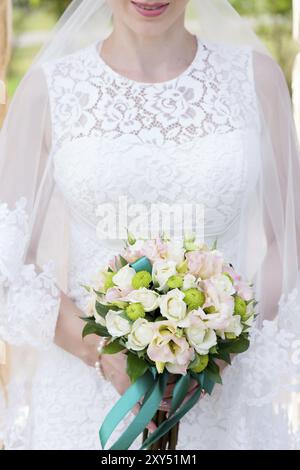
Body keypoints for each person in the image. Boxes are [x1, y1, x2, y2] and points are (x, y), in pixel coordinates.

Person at [0, 0, 300, 450]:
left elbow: (289, 237)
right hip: (86, 401)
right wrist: (103, 354)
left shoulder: (257, 79)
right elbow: (9, 259)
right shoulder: (50, 90)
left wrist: (227, 342)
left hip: (223, 397)